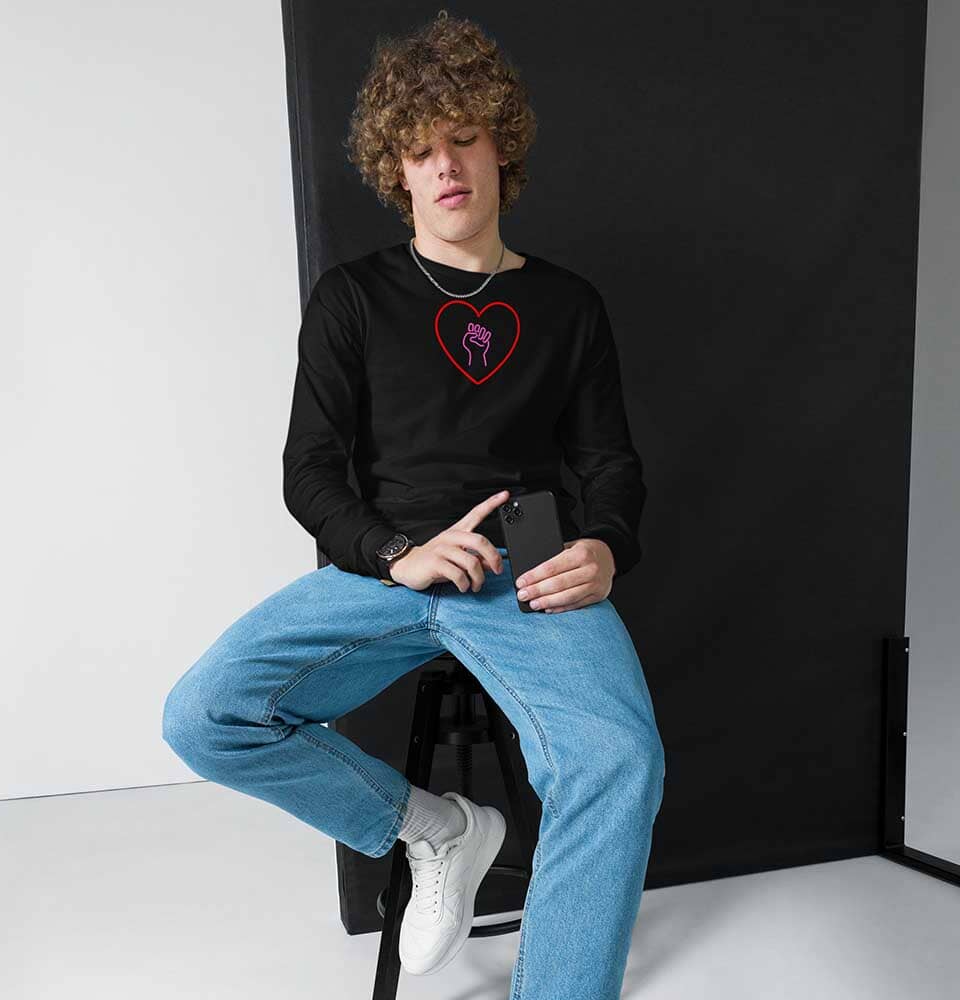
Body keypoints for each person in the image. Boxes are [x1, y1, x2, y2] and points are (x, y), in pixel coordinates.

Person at [162, 9, 664, 998]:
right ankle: (431, 828)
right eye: (420, 148)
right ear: (397, 169)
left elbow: (607, 460)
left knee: (620, 761)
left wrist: (606, 542)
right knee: (203, 714)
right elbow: (309, 470)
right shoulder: (352, 297)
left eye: (462, 139)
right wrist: (394, 549)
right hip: (390, 553)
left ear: (498, 147)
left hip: (524, 542)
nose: (444, 166)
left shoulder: (567, 305)